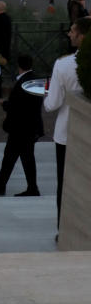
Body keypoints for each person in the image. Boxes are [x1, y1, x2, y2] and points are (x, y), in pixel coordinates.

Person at [44, 16, 91, 228]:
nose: (69, 34)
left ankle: (63, 228)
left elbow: (52, 104)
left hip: (67, 131)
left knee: (65, 184)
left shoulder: (64, 65)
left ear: (82, 35)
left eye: (73, 31)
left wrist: (45, 97)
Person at [0, 53, 43, 196]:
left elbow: (17, 107)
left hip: (21, 128)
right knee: (12, 156)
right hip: (30, 126)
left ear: (19, 66)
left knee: (22, 158)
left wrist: (4, 103)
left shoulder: (22, 83)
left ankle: (30, 188)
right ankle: (2, 183)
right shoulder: (36, 80)